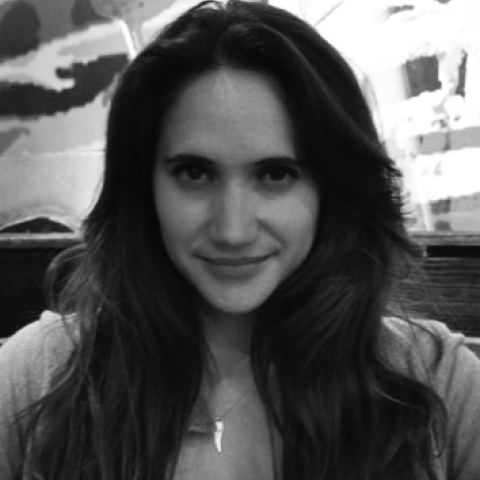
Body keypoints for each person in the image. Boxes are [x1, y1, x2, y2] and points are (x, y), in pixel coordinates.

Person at [1, 1, 480, 479]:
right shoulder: (38, 375)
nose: (232, 230)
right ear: (143, 186)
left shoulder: (440, 384)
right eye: (194, 173)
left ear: (333, 187)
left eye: (276, 174)